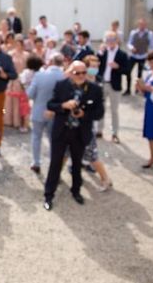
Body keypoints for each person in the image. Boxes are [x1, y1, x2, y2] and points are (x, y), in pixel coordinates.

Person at [43, 61, 104, 210]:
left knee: (77, 164)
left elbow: (99, 113)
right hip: (61, 132)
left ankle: (76, 191)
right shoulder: (61, 85)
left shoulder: (95, 89)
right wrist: (63, 106)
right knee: (55, 164)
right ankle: (48, 195)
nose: (82, 76)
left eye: (84, 72)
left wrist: (85, 114)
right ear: (70, 73)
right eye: (78, 73)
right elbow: (50, 104)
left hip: (80, 133)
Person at [27, 54, 64, 174]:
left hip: (39, 111)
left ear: (51, 61)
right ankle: (54, 164)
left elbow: (30, 94)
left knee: (36, 137)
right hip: (56, 113)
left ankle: (36, 162)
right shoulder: (64, 76)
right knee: (54, 140)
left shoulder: (40, 75)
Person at [83, 55, 114, 190]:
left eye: (96, 66)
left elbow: (99, 106)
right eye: (92, 66)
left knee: (91, 152)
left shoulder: (99, 82)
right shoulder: (80, 80)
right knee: (69, 151)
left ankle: (105, 178)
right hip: (81, 122)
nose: (94, 69)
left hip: (90, 122)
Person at [96, 31, 128, 142]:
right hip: (103, 83)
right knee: (101, 108)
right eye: (108, 40)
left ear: (117, 40)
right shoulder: (103, 52)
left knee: (114, 110)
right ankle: (99, 130)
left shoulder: (122, 54)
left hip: (115, 85)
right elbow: (95, 64)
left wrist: (118, 67)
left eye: (112, 40)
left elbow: (127, 70)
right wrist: (99, 53)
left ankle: (115, 133)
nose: (110, 42)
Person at [125, 18, 153, 95]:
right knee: (128, 72)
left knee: (139, 74)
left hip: (143, 56)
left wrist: (151, 54)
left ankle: (137, 89)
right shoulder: (133, 32)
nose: (142, 26)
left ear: (145, 25)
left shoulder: (150, 34)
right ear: (138, 25)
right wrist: (131, 48)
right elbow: (129, 43)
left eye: (143, 24)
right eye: (140, 24)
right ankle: (128, 89)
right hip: (133, 56)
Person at [4, 38, 30, 132]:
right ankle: (7, 119)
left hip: (21, 79)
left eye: (20, 44)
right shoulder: (10, 54)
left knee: (20, 101)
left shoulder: (26, 55)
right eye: (17, 44)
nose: (18, 46)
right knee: (8, 101)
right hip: (12, 79)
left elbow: (28, 68)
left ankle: (19, 121)